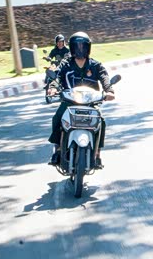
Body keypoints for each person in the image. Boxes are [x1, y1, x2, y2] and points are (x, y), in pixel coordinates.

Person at [46, 32, 115, 167]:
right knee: (57, 117)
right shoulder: (66, 64)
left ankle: (97, 153)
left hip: (90, 102)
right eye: (77, 46)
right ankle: (58, 149)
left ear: (88, 48)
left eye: (83, 46)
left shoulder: (95, 65)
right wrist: (53, 87)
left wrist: (109, 90)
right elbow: (57, 76)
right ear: (72, 48)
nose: (80, 49)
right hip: (69, 101)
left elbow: (104, 77)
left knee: (101, 121)